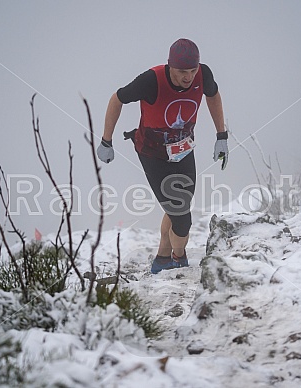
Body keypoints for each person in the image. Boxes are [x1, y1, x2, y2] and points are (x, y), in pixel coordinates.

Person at [97, 38, 228, 274]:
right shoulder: (151, 81)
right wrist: (107, 140)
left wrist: (222, 136)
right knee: (181, 217)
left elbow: (213, 95)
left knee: (179, 205)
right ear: (169, 66)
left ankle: (162, 259)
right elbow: (117, 98)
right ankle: (179, 259)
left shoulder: (203, 75)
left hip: (184, 149)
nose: (188, 77)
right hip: (152, 153)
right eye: (181, 72)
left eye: (192, 70)